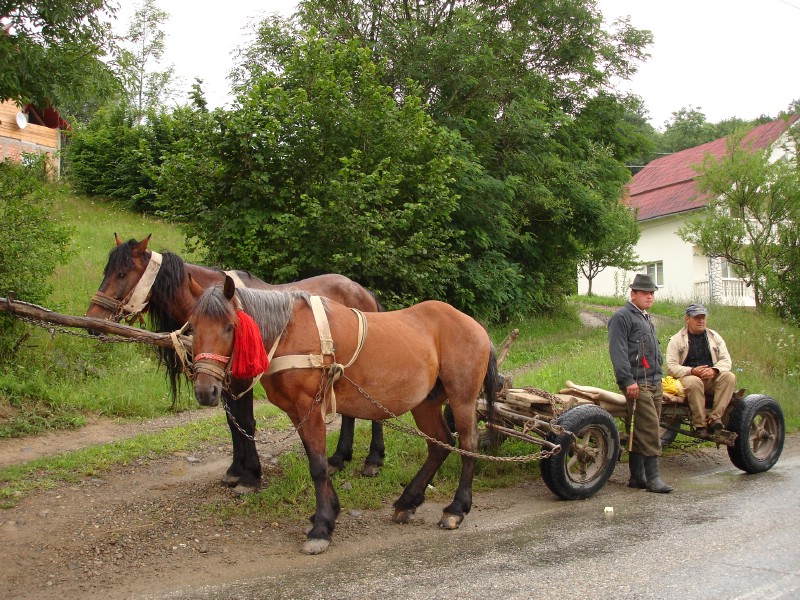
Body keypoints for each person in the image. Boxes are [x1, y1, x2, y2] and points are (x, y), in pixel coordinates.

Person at [608, 273, 672, 493]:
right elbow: (618, 352)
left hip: (654, 381)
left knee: (639, 430)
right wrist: (627, 381)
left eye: (652, 293)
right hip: (637, 383)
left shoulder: (645, 317)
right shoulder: (622, 317)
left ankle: (636, 477)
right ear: (632, 293)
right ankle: (653, 478)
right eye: (644, 292)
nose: (649, 296)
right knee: (650, 429)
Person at [666, 303, 736, 438]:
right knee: (694, 382)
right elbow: (671, 367)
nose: (701, 320)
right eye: (697, 317)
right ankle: (700, 425)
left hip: (710, 378)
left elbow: (726, 360)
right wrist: (692, 371)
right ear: (687, 319)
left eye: (703, 317)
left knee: (729, 377)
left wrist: (715, 370)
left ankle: (715, 419)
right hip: (687, 378)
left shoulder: (714, 337)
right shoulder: (676, 340)